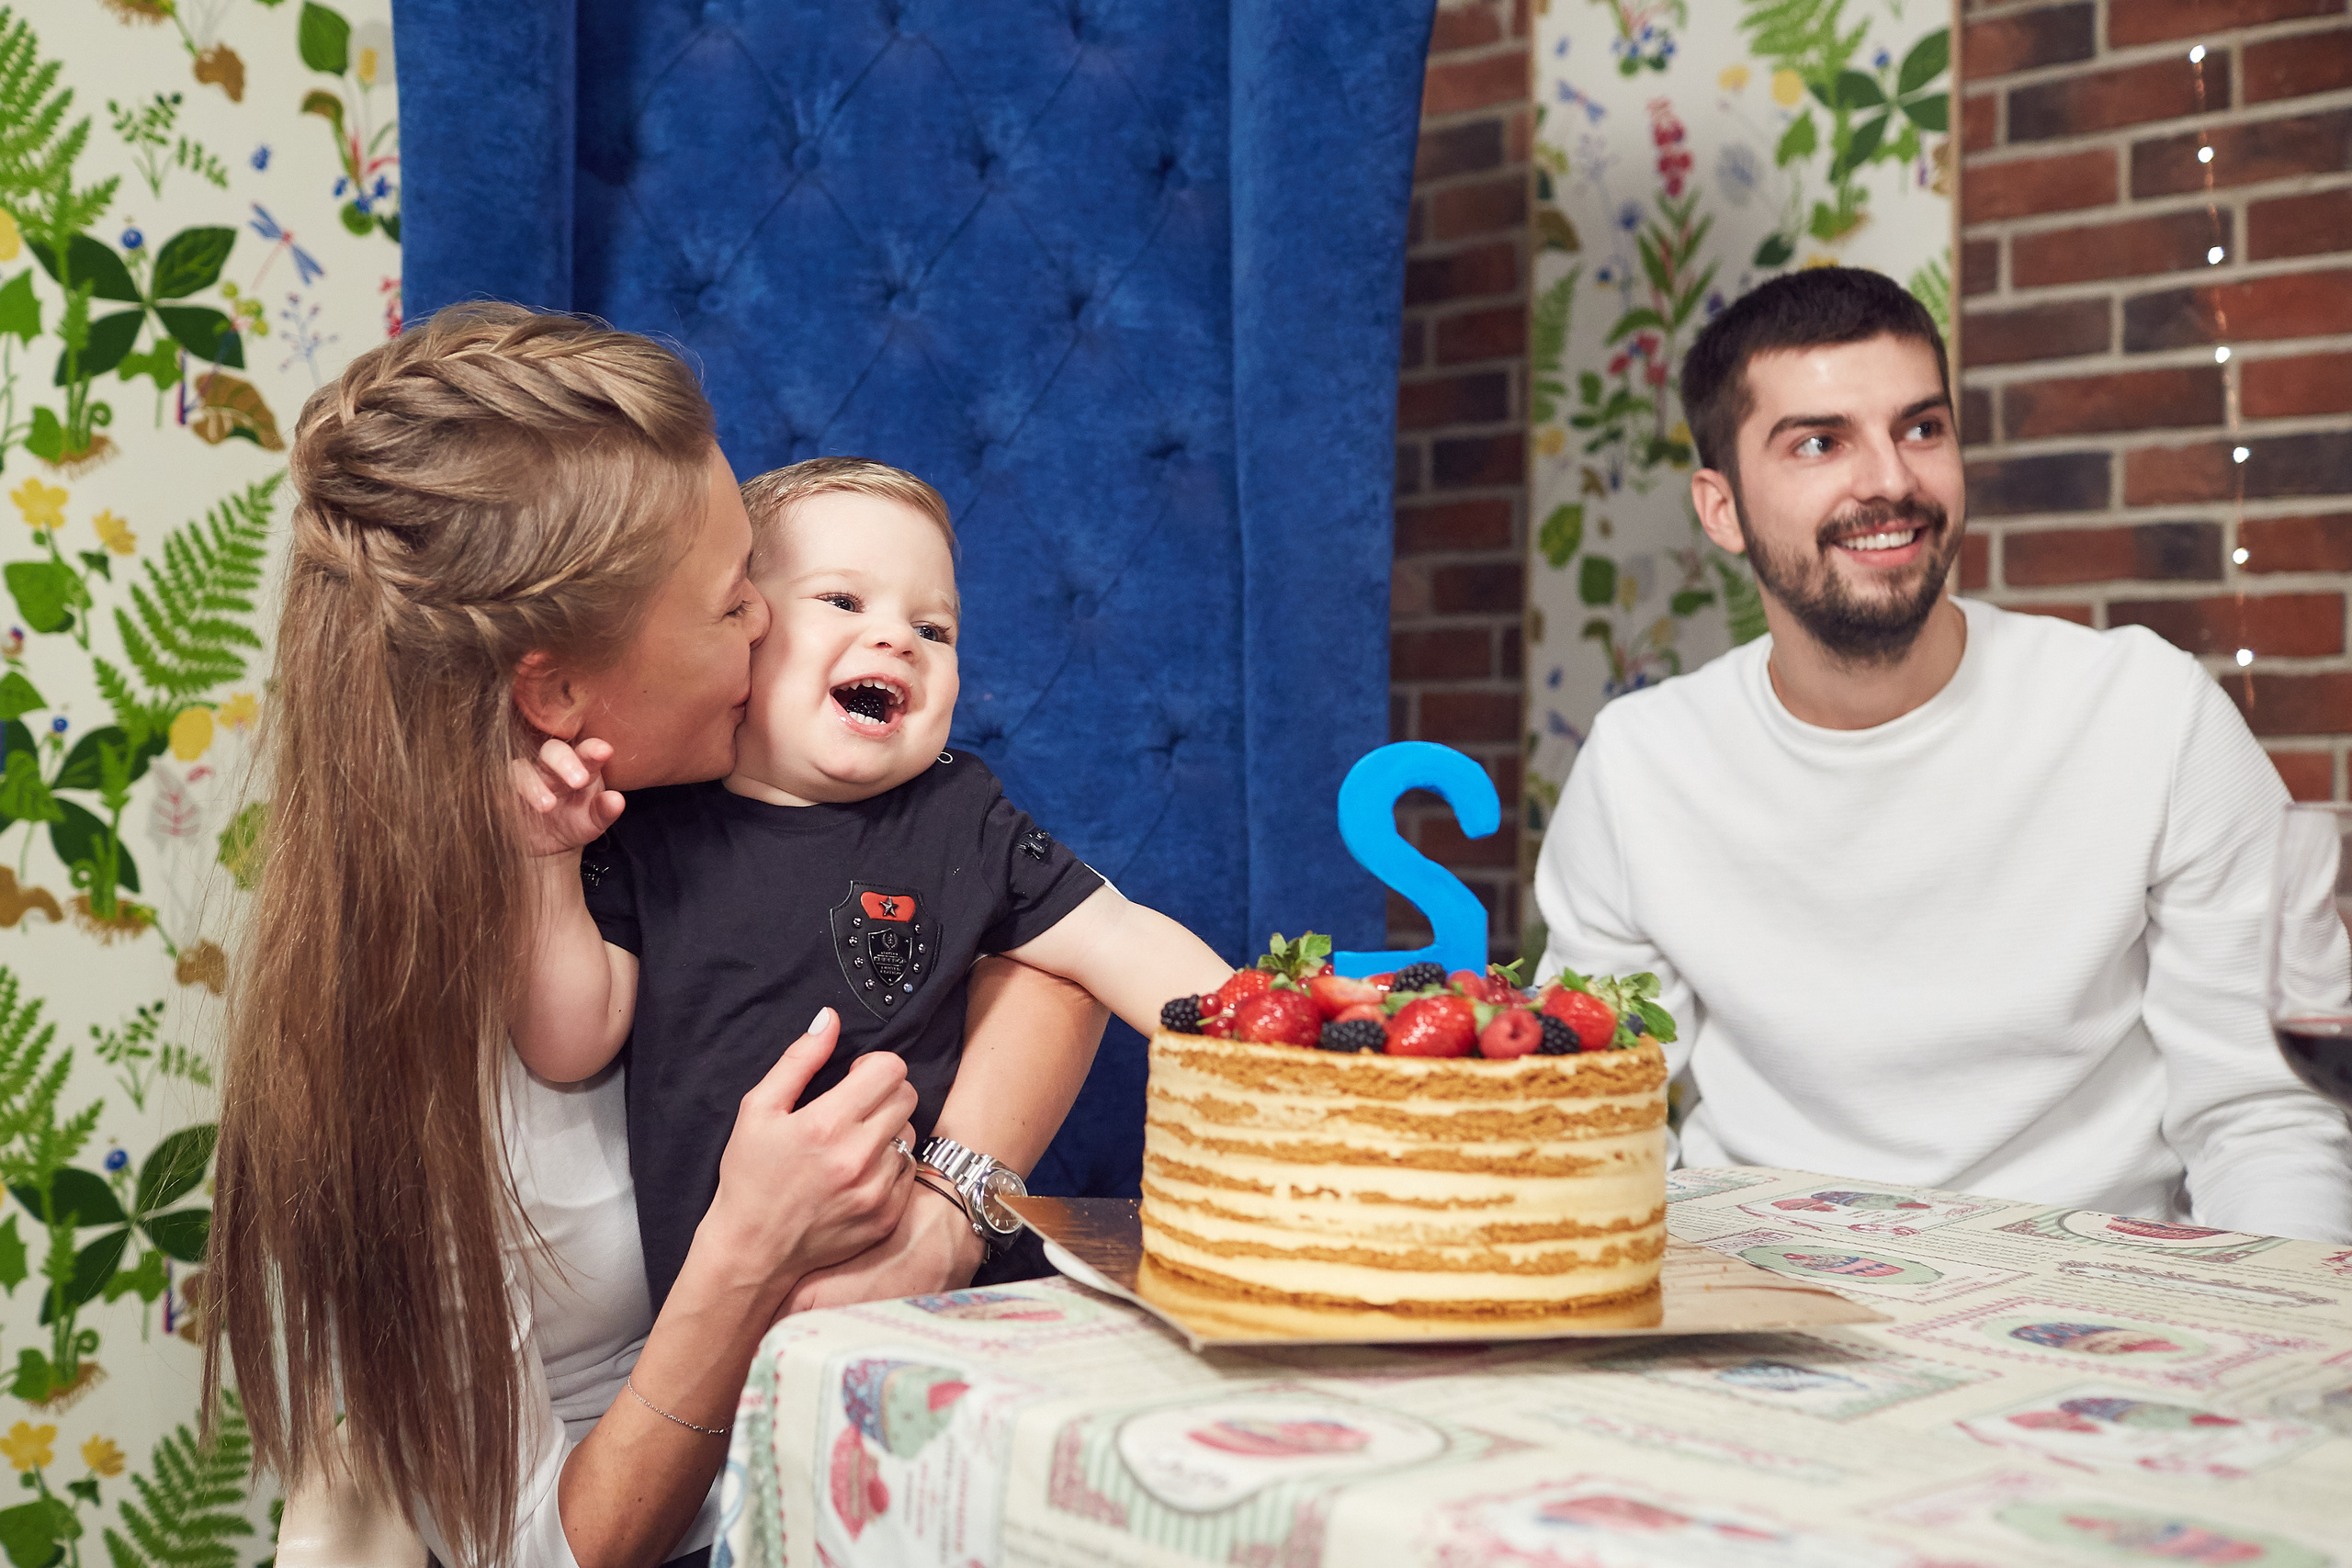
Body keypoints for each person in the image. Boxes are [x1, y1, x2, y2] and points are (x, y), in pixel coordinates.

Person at [206, 305, 1111, 1568]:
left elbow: (1045, 959)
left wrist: (943, 1214)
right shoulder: (401, 1051)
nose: (775, 622)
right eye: (734, 598)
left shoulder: (727, 793)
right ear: (557, 692)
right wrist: (746, 1252)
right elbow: (539, 1548)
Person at [1533, 266, 2352, 1243]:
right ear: (1721, 510)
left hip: (2100, 1308)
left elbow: (2262, 1113)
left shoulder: (2149, 712)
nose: (1888, 480)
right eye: (1818, 442)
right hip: (1766, 1293)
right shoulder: (1640, 765)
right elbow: (1586, 1116)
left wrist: (2282, 1349)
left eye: (1920, 428)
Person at [511, 457, 1236, 1312]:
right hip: (723, 1324)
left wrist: (1267, 1030)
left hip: (948, 1297)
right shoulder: (651, 825)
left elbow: (1116, 935)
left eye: (935, 629)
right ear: (742, 626)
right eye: (844, 601)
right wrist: (547, 864)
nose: (897, 637)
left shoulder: (961, 814)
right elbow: (571, 1040)